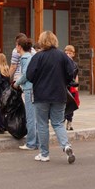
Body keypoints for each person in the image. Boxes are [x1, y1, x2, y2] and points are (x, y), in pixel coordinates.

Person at [26, 31, 76, 164]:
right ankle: (66, 146)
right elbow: (71, 72)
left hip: (41, 95)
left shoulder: (38, 57)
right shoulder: (62, 55)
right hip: (59, 94)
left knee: (42, 124)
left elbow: (30, 75)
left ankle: (44, 154)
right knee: (58, 123)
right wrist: (63, 81)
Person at [13, 36, 37, 150]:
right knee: (34, 117)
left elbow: (27, 75)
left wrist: (17, 83)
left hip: (29, 89)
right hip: (32, 89)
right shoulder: (30, 57)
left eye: (16, 45)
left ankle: (31, 143)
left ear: (20, 46)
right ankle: (35, 141)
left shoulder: (25, 58)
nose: (16, 47)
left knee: (31, 117)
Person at [64, 45, 80, 131]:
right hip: (65, 87)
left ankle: (69, 123)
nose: (68, 55)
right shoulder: (63, 64)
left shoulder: (74, 64)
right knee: (63, 105)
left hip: (72, 87)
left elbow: (76, 75)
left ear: (73, 54)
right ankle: (62, 121)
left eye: (70, 53)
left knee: (71, 106)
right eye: (66, 53)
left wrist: (76, 87)